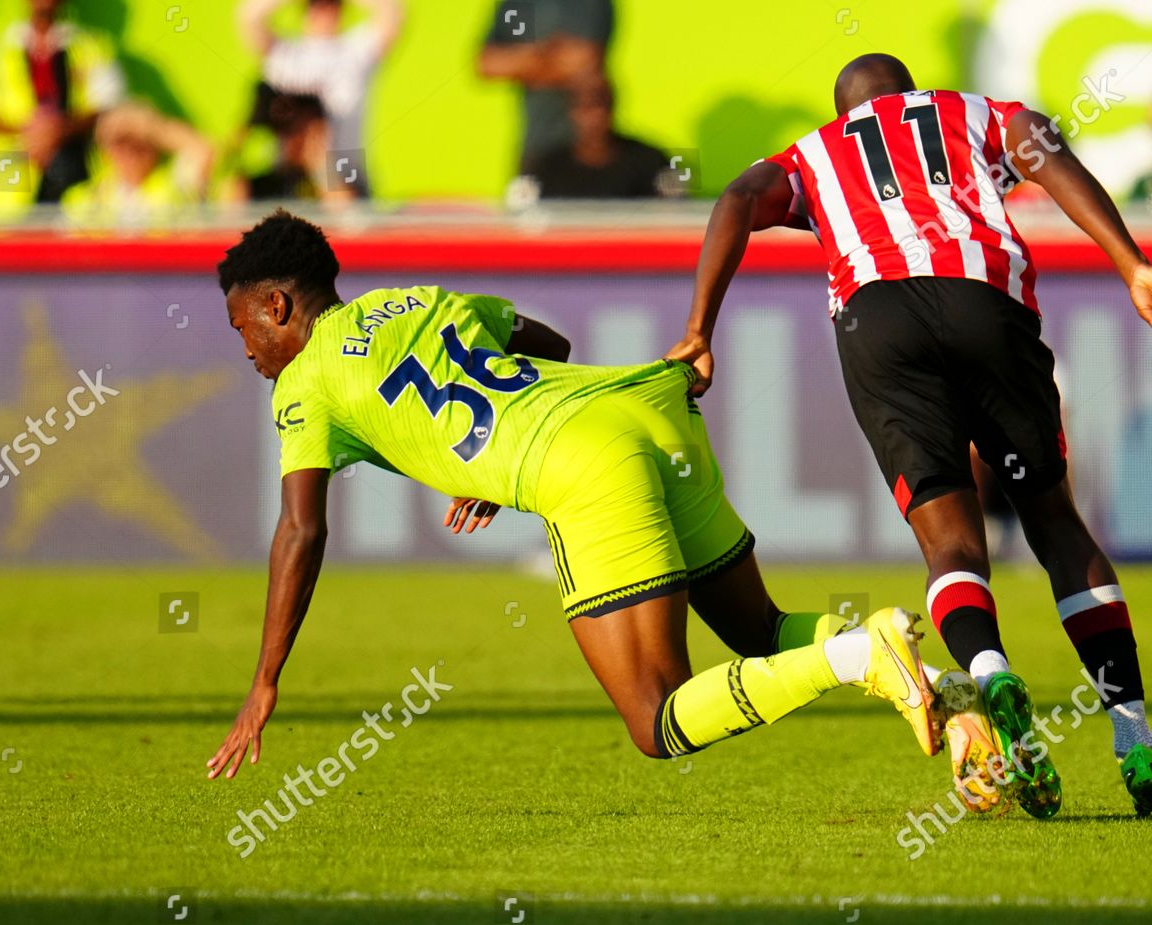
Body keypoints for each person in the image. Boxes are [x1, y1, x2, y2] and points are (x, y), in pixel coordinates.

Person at [205, 211, 1007, 812]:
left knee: (657, 720)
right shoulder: (413, 299)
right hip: (645, 407)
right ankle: (940, 685)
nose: (247, 351)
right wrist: (486, 451)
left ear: (278, 305)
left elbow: (301, 528)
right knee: (760, 631)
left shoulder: (305, 380)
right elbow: (543, 340)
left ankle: (860, 658)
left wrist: (265, 680)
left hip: (587, 467)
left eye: (244, 327)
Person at [666, 53, 1152, 818]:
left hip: (878, 322)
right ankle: (1133, 738)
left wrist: (699, 328)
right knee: (1054, 523)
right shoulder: (968, 111)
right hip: (984, 301)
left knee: (948, 540)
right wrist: (1132, 263)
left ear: (844, 108)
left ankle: (989, 666)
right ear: (909, 94)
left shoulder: (812, 153)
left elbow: (740, 197)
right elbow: (1045, 150)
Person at [0, 0, 125, 218]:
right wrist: (27, 131)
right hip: (3, 187)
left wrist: (60, 129)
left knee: (76, 244)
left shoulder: (91, 47)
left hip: (77, 184)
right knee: (5, 247)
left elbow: (112, 108)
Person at [238, 0, 403, 195]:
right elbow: (248, 17)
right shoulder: (285, 54)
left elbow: (393, 13)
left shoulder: (357, 51)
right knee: (241, 191)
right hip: (291, 171)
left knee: (348, 213)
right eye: (316, 4)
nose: (325, 9)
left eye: (332, 3)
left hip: (345, 167)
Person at [477, 0, 612, 172]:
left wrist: (522, 62)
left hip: (587, 149)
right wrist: (547, 56)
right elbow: (487, 64)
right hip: (535, 145)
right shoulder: (516, 5)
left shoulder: (590, 4)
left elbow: (584, 61)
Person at [60, 101, 213, 227]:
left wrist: (152, 128)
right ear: (104, 148)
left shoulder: (175, 185)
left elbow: (203, 150)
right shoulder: (86, 197)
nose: (130, 150)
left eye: (139, 141)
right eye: (120, 141)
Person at [530, 74, 674, 200]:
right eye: (585, 107)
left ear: (613, 107)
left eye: (601, 105)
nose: (595, 117)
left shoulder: (651, 161)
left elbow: (674, 217)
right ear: (571, 111)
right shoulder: (547, 169)